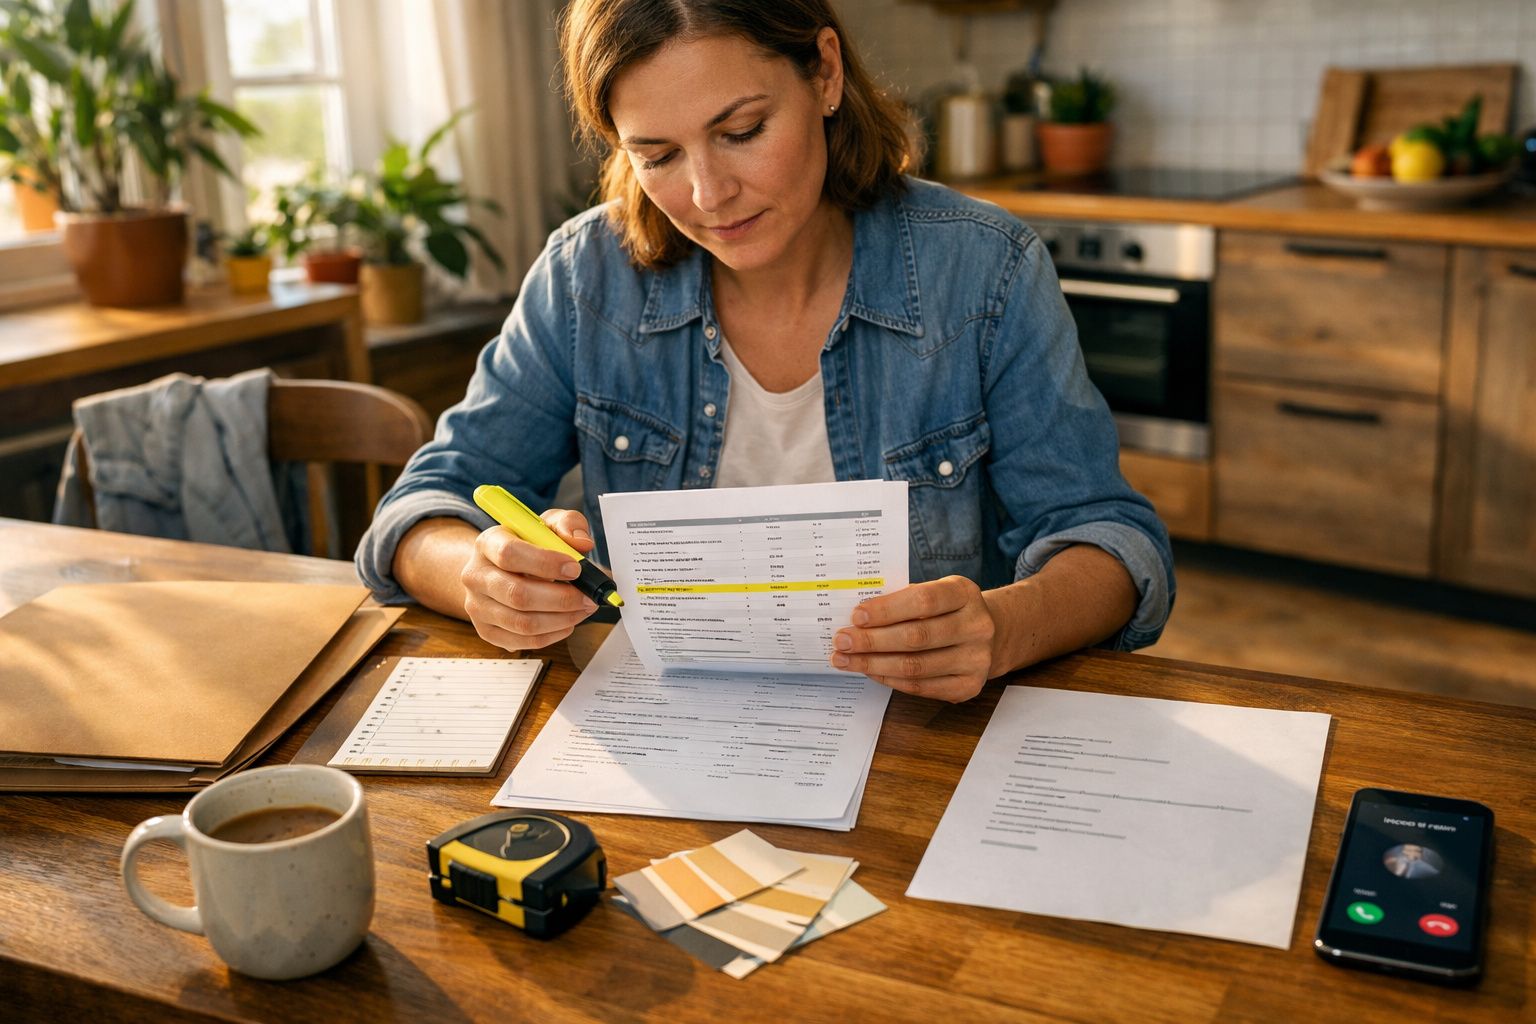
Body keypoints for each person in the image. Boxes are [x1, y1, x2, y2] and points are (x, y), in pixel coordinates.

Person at [355, 0, 1175, 703]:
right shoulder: (585, 278)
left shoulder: (983, 270)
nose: (709, 196)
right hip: (665, 739)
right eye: (658, 156)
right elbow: (422, 508)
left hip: (922, 739)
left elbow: (1108, 539)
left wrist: (1002, 628)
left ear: (824, 73)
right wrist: (480, 575)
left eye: (741, 131)